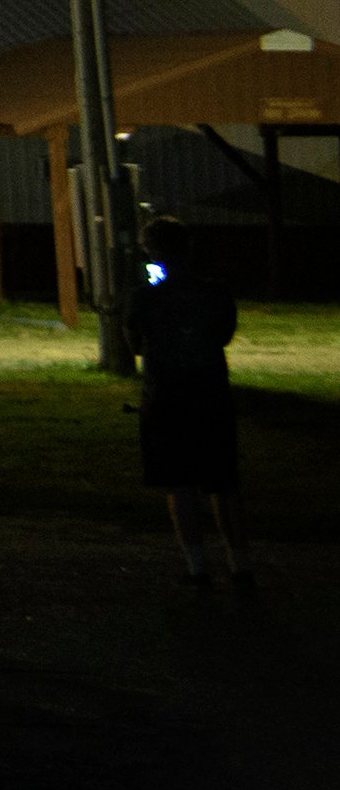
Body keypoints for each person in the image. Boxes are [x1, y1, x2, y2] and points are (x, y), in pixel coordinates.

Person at [128, 216, 248, 586]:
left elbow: (134, 343)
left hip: (166, 397)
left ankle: (197, 566)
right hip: (211, 394)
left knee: (179, 483)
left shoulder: (145, 296)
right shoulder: (215, 292)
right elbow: (224, 336)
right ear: (188, 248)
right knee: (223, 483)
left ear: (150, 251)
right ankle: (240, 564)